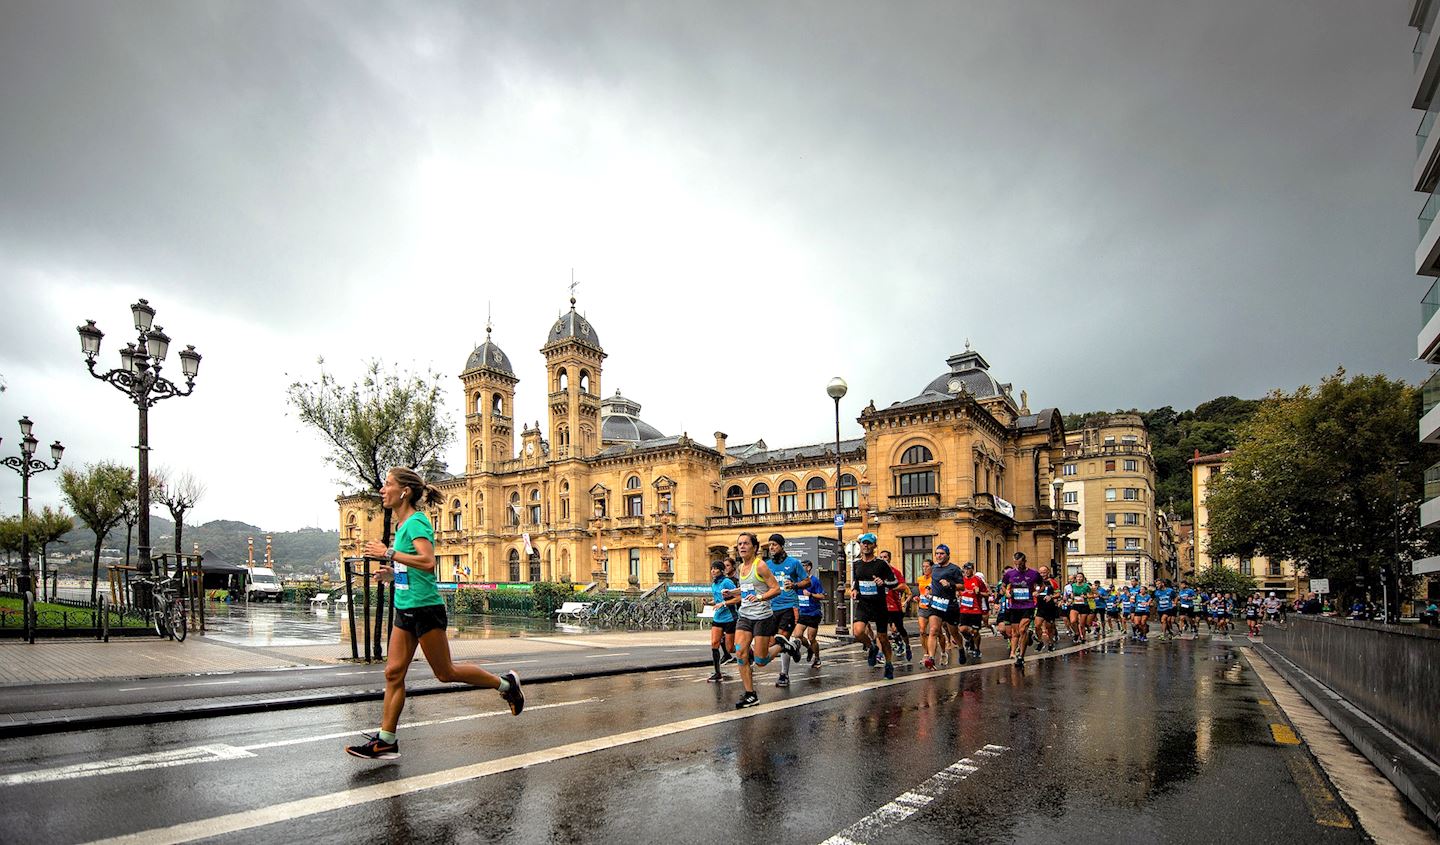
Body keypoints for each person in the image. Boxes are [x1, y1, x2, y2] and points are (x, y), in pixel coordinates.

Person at [347, 467, 524, 760]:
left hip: (425, 609)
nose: (382, 489)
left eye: (388, 484)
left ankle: (506, 685)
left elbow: (428, 562)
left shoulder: (417, 522)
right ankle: (387, 740)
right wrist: (393, 574)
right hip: (405, 608)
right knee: (393, 673)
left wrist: (388, 554)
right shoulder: (403, 526)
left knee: (445, 673)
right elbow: (414, 566)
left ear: (404, 491)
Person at [732, 532, 782, 709]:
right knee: (740, 653)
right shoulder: (740, 568)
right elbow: (747, 589)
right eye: (739, 544)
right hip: (745, 615)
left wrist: (760, 598)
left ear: (754, 547)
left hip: (762, 617)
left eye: (746, 543)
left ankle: (783, 645)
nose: (742, 547)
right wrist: (732, 593)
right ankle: (750, 694)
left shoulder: (760, 566)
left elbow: (776, 589)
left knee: (760, 661)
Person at [850, 533, 898, 679]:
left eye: (869, 543)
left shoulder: (881, 564)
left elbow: (894, 582)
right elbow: (856, 581)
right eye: (864, 543)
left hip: (879, 604)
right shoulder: (856, 564)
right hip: (864, 603)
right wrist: (854, 590)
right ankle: (872, 647)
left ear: (874, 546)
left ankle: (889, 664)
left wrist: (883, 583)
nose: (865, 545)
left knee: (883, 637)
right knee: (857, 632)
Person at [761, 534, 805, 688]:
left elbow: (806, 580)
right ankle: (794, 645)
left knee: (781, 639)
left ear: (781, 546)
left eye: (774, 544)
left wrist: (795, 585)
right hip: (772, 608)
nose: (772, 548)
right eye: (770, 545)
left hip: (789, 606)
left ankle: (784, 674)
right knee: (772, 643)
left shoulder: (793, 563)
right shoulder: (766, 565)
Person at [921, 545, 966, 669]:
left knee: (954, 632)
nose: (938, 556)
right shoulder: (934, 568)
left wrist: (950, 584)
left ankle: (961, 648)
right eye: (937, 554)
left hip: (950, 605)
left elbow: (962, 586)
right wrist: (928, 588)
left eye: (941, 553)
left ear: (947, 555)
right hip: (936, 603)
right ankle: (930, 658)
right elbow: (932, 582)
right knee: (933, 630)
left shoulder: (954, 569)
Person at [1002, 552, 1043, 666]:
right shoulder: (1010, 574)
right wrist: (1006, 592)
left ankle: (1021, 657)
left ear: (1025, 561)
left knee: (1022, 630)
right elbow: (1003, 585)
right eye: (1016, 564)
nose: (1018, 567)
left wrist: (1037, 591)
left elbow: (1042, 585)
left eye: (1020, 564)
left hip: (1028, 605)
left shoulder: (1034, 573)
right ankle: (1020, 645)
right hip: (1015, 606)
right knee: (1016, 632)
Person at [707, 560, 740, 682]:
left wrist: (724, 603)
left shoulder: (727, 582)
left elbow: (738, 597)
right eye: (712, 569)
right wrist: (709, 603)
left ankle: (747, 652)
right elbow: (718, 600)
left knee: (730, 648)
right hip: (718, 617)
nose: (713, 571)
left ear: (721, 570)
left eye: (716, 568)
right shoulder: (714, 584)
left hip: (730, 617)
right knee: (714, 643)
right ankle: (717, 673)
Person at [879, 549, 913, 662]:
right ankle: (880, 653)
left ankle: (907, 646)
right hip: (882, 605)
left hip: (895, 605)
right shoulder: (878, 572)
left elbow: (904, 586)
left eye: (885, 557)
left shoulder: (895, 572)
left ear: (889, 558)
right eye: (881, 557)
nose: (883, 559)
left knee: (899, 628)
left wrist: (891, 587)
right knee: (881, 630)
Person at [795, 560, 825, 667]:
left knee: (811, 638)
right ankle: (809, 649)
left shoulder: (815, 581)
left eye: (803, 566)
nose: (801, 568)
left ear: (808, 568)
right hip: (802, 613)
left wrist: (811, 594)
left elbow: (822, 596)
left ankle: (817, 658)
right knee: (797, 635)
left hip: (813, 613)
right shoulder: (798, 580)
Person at [958, 561, 988, 661]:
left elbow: (988, 593)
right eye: (965, 569)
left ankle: (977, 649)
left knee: (975, 631)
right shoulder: (961, 580)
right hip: (964, 609)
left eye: (968, 569)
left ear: (972, 570)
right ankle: (970, 640)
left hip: (975, 610)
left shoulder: (978, 580)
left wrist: (979, 592)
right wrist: (958, 593)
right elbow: (958, 590)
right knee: (962, 629)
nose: (966, 571)